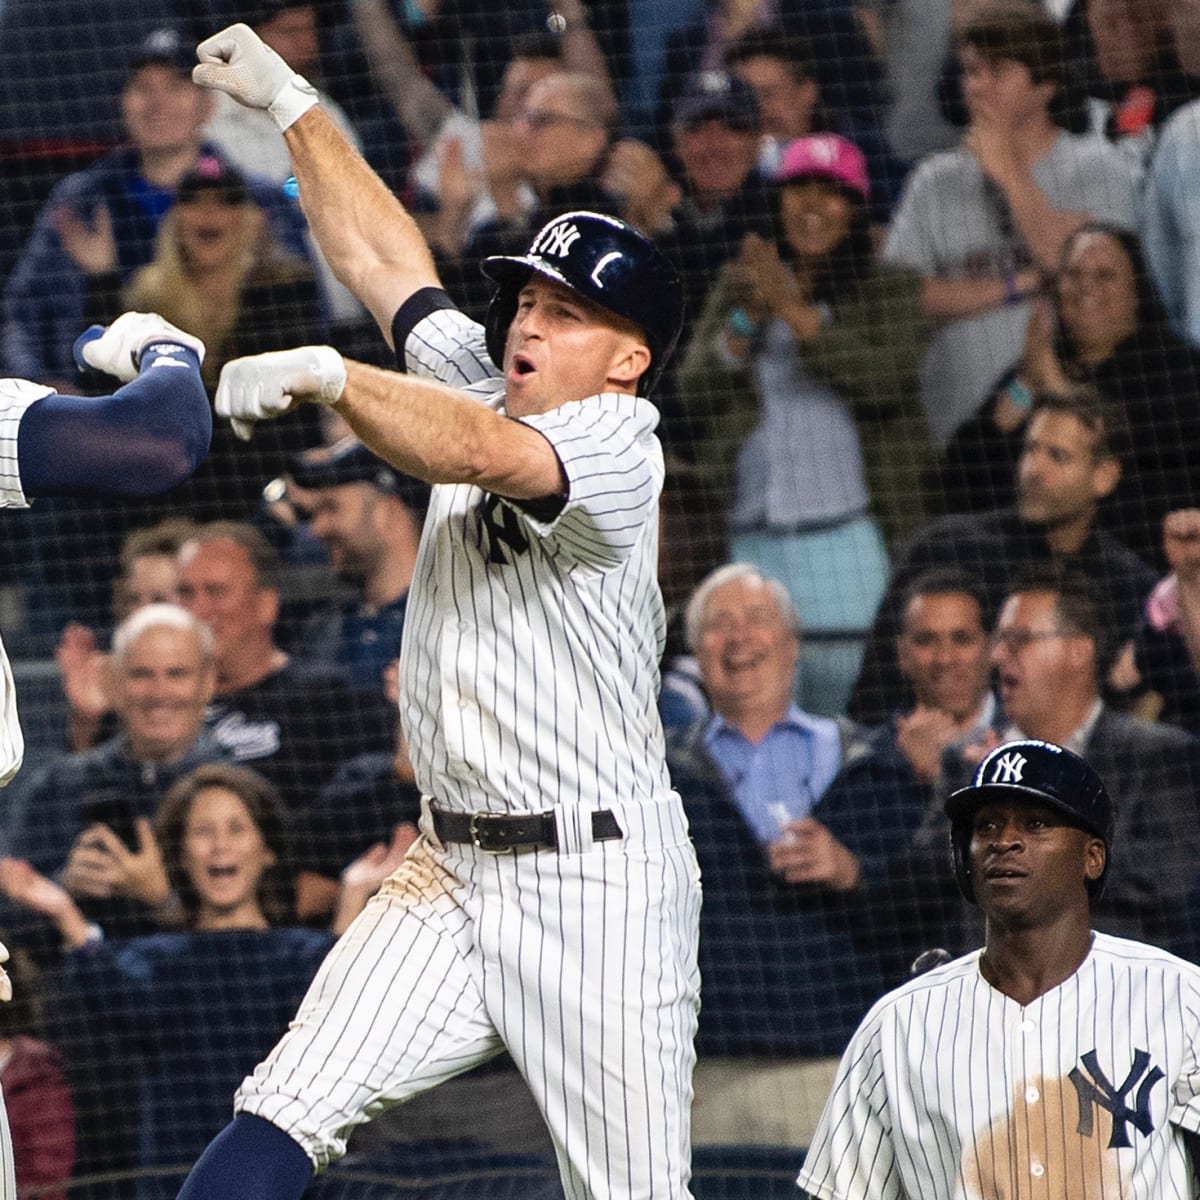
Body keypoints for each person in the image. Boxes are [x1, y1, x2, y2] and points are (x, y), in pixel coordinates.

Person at [176, 20, 699, 1200]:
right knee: (280, 1110)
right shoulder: (487, 368)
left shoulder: (622, 446)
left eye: (565, 314)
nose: (527, 324)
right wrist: (298, 107)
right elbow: (383, 262)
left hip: (599, 885)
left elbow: (475, 449)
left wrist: (335, 379)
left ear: (628, 360)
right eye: (526, 299)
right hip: (450, 868)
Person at [796, 738, 1200, 1199]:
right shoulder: (898, 1026)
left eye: (1035, 823)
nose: (1004, 841)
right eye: (987, 826)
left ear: (1092, 857)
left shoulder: (1178, 997)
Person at [0, 762, 404, 1200]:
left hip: (293, 1179)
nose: (219, 847)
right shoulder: (151, 961)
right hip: (180, 1179)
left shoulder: (304, 954)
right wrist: (63, 912)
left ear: (267, 849)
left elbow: (341, 1010)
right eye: (202, 831)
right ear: (180, 852)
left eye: (236, 829)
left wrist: (353, 898)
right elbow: (102, 979)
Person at [676, 132, 931, 713]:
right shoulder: (741, 284)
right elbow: (694, 391)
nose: (813, 206)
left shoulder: (889, 288)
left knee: (860, 709)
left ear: (856, 210)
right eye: (800, 190)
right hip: (752, 541)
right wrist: (748, 316)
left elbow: (883, 378)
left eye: (832, 193)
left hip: (847, 539)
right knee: (752, 710)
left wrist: (793, 310)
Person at [883, 1, 1139, 448]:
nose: (976, 86)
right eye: (969, 71)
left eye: (997, 72)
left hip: (1067, 435)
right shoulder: (933, 179)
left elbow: (1081, 273)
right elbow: (899, 298)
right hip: (956, 439)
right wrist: (1016, 284)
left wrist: (1011, 175)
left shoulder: (1098, 168)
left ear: (1045, 85)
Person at [848, 389, 1156, 724]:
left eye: (1057, 456)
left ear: (1105, 476)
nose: (1033, 469)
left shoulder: (1132, 586)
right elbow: (874, 692)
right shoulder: (945, 549)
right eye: (1030, 449)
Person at [934, 222, 1200, 568]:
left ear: (1138, 292)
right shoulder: (1037, 363)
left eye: (1105, 275)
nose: (1086, 287)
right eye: (1073, 274)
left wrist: (1055, 386)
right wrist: (1026, 385)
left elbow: (1128, 470)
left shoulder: (1179, 372)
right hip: (1027, 566)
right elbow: (963, 473)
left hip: (1140, 568)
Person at [174, 521, 397, 811]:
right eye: (185, 593)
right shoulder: (156, 703)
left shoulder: (328, 702)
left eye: (216, 591)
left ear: (266, 604)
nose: (198, 610)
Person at [285, 437, 428, 692]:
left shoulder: (443, 621)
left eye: (332, 509)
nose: (317, 529)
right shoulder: (323, 632)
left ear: (386, 512)